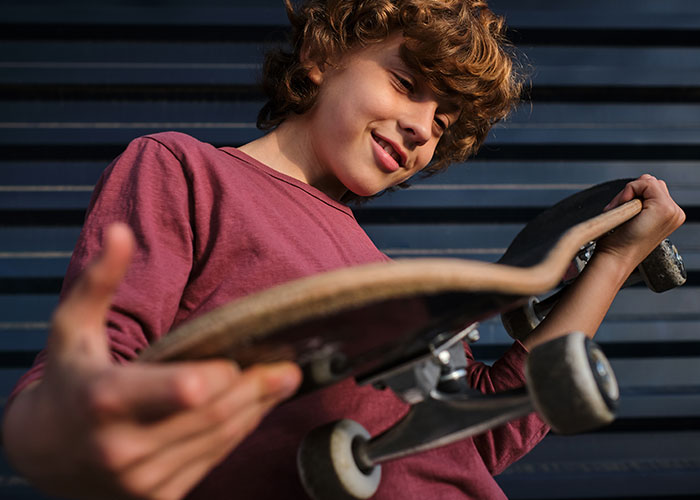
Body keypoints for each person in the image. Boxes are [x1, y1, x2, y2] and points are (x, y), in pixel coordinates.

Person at [2, 0, 685, 499]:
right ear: (322, 55)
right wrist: (52, 434)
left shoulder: (387, 283)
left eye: (443, 124)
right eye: (406, 83)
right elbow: (85, 379)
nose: (422, 128)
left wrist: (618, 259)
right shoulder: (186, 172)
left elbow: (481, 432)